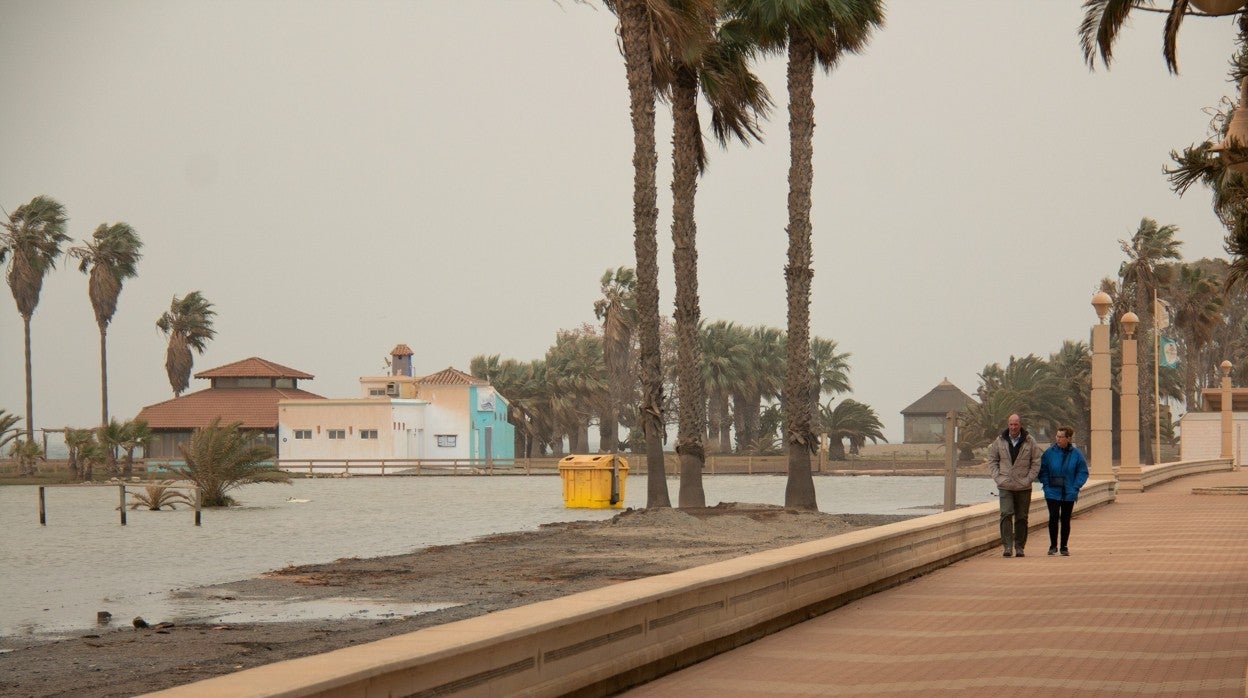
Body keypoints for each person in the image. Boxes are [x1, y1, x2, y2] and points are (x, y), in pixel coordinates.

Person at [988, 413, 1041, 557]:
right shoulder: (999, 441)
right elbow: (992, 459)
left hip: (1023, 486)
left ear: (1020, 425)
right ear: (1008, 424)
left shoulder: (1030, 441)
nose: (1013, 427)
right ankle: (1007, 546)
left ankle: (1019, 547)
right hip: (1005, 485)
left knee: (1022, 517)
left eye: (1015, 424)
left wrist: (1028, 479)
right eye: (1011, 424)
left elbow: (1036, 462)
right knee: (1005, 514)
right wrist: (998, 478)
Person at [1037, 426, 1089, 556]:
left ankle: (1064, 546)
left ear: (1068, 438)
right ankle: (1053, 545)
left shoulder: (1076, 454)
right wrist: (1046, 485)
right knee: (1053, 517)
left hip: (1069, 492)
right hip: (1052, 492)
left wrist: (1075, 486)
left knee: (1065, 519)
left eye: (1061, 437)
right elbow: (1042, 470)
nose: (1058, 439)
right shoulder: (1049, 453)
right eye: (1057, 436)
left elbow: (1082, 472)